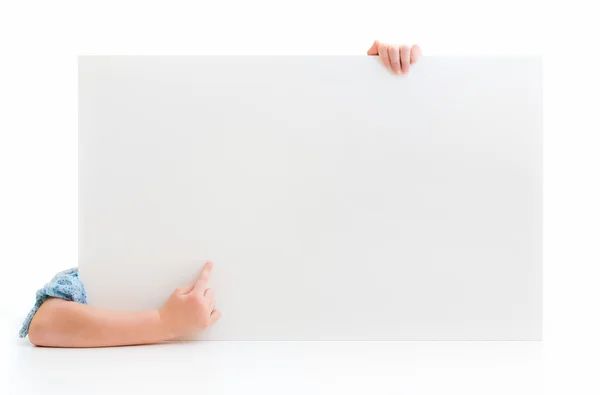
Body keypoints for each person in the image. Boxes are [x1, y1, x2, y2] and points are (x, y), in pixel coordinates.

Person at [20, 40, 422, 348]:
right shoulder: (123, 254)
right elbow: (46, 324)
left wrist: (372, 84)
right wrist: (163, 323)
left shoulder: (338, 254)